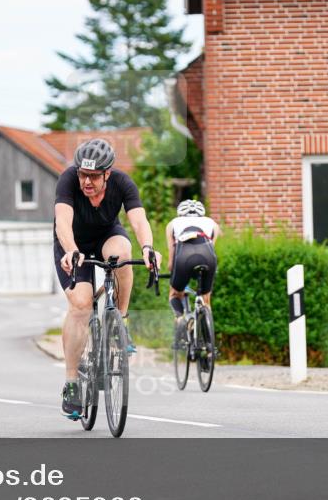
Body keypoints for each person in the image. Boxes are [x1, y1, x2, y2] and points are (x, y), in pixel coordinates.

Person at [54, 138, 159, 419]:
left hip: (105, 235)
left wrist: (148, 248)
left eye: (93, 176)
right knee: (80, 305)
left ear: (107, 174)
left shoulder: (123, 183)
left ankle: (120, 321)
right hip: (72, 244)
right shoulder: (67, 180)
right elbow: (62, 220)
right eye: (82, 174)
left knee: (123, 253)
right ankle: (72, 382)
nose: (86, 181)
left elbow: (138, 220)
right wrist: (71, 250)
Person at [166, 199, 220, 317]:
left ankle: (180, 321)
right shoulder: (212, 224)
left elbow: (172, 259)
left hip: (183, 258)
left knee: (174, 294)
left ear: (180, 212)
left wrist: (173, 273)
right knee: (205, 298)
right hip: (208, 258)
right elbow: (211, 249)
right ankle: (207, 324)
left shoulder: (173, 224)